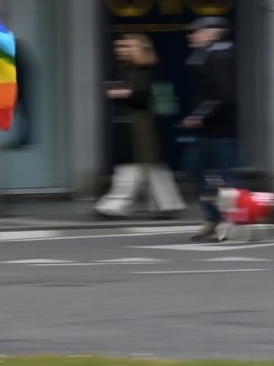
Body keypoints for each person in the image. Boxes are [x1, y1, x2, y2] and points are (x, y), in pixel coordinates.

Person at [94, 34, 186, 219]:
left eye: (128, 47)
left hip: (144, 126)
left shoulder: (151, 71)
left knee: (136, 166)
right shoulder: (123, 68)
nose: (122, 50)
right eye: (121, 47)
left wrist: (127, 94)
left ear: (142, 49)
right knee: (150, 167)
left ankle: (115, 205)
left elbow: (148, 98)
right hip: (131, 125)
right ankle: (167, 204)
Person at [181, 15, 238, 241]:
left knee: (226, 178)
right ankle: (214, 217)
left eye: (197, 31)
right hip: (209, 130)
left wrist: (199, 116)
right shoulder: (207, 56)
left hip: (220, 130)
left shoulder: (219, 57)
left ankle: (231, 222)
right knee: (199, 171)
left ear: (214, 33)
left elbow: (224, 95)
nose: (192, 35)